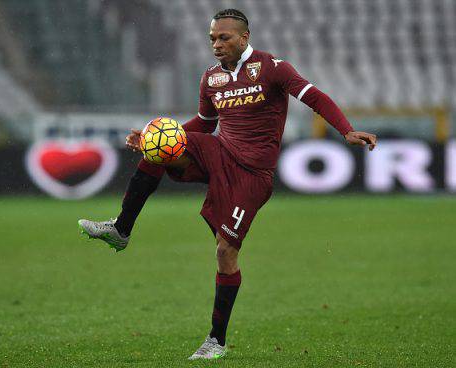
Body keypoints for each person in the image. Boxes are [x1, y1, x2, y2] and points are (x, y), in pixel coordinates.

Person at [78, 8, 377, 360]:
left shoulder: (272, 67)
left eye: (224, 37)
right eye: (211, 39)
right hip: (220, 152)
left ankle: (215, 341)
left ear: (244, 37)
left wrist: (345, 129)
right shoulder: (211, 79)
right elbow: (204, 124)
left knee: (225, 252)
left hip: (252, 174)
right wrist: (148, 138)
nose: (216, 44)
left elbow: (314, 97)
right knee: (160, 144)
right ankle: (121, 229)